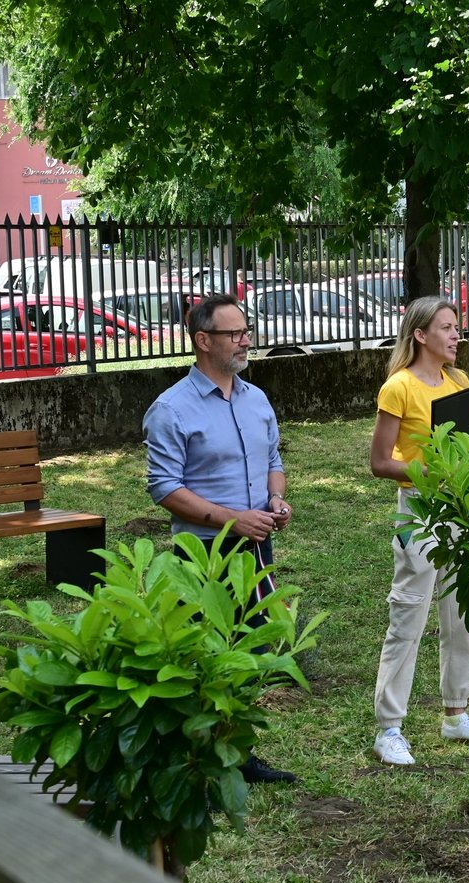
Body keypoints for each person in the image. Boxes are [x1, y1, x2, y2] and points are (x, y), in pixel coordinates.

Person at [143, 293, 298, 784]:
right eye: (234, 333)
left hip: (256, 542)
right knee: (205, 654)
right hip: (205, 552)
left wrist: (276, 500)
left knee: (252, 648)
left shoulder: (256, 399)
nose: (245, 340)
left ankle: (238, 753)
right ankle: (197, 763)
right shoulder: (171, 409)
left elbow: (273, 461)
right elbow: (165, 488)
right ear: (203, 340)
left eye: (246, 331)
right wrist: (233, 520)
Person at [367, 296, 469, 766]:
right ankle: (389, 728)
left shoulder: (458, 381)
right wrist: (431, 473)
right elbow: (380, 462)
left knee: (465, 614)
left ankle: (456, 714)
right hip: (421, 511)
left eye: (456, 327)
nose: (456, 335)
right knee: (409, 615)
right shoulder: (398, 388)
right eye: (446, 327)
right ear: (420, 335)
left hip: (461, 508)